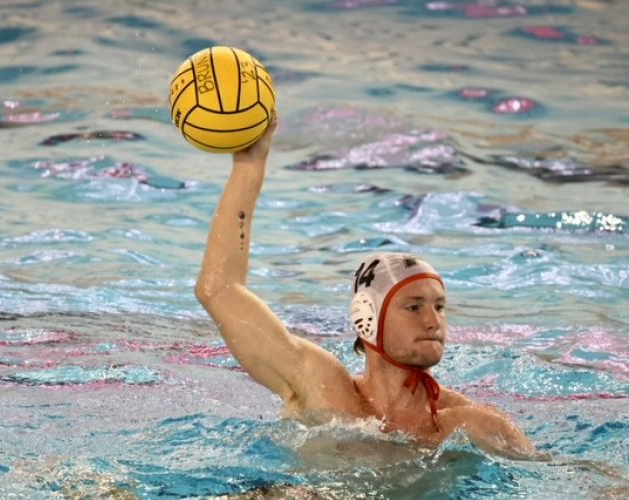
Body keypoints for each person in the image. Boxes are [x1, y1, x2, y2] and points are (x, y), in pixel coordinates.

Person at [195, 112, 545, 460]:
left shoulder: (473, 425)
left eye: (439, 306)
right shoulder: (320, 386)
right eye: (414, 306)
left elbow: (556, 475)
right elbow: (219, 290)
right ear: (367, 317)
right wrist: (249, 164)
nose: (433, 321)